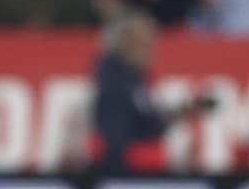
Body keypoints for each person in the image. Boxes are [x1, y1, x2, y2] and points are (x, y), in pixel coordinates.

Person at [92, 11, 216, 172]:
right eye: (144, 45)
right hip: (122, 170)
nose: (151, 51)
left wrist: (184, 111)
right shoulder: (116, 81)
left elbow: (149, 121)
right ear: (125, 45)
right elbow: (134, 130)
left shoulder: (132, 79)